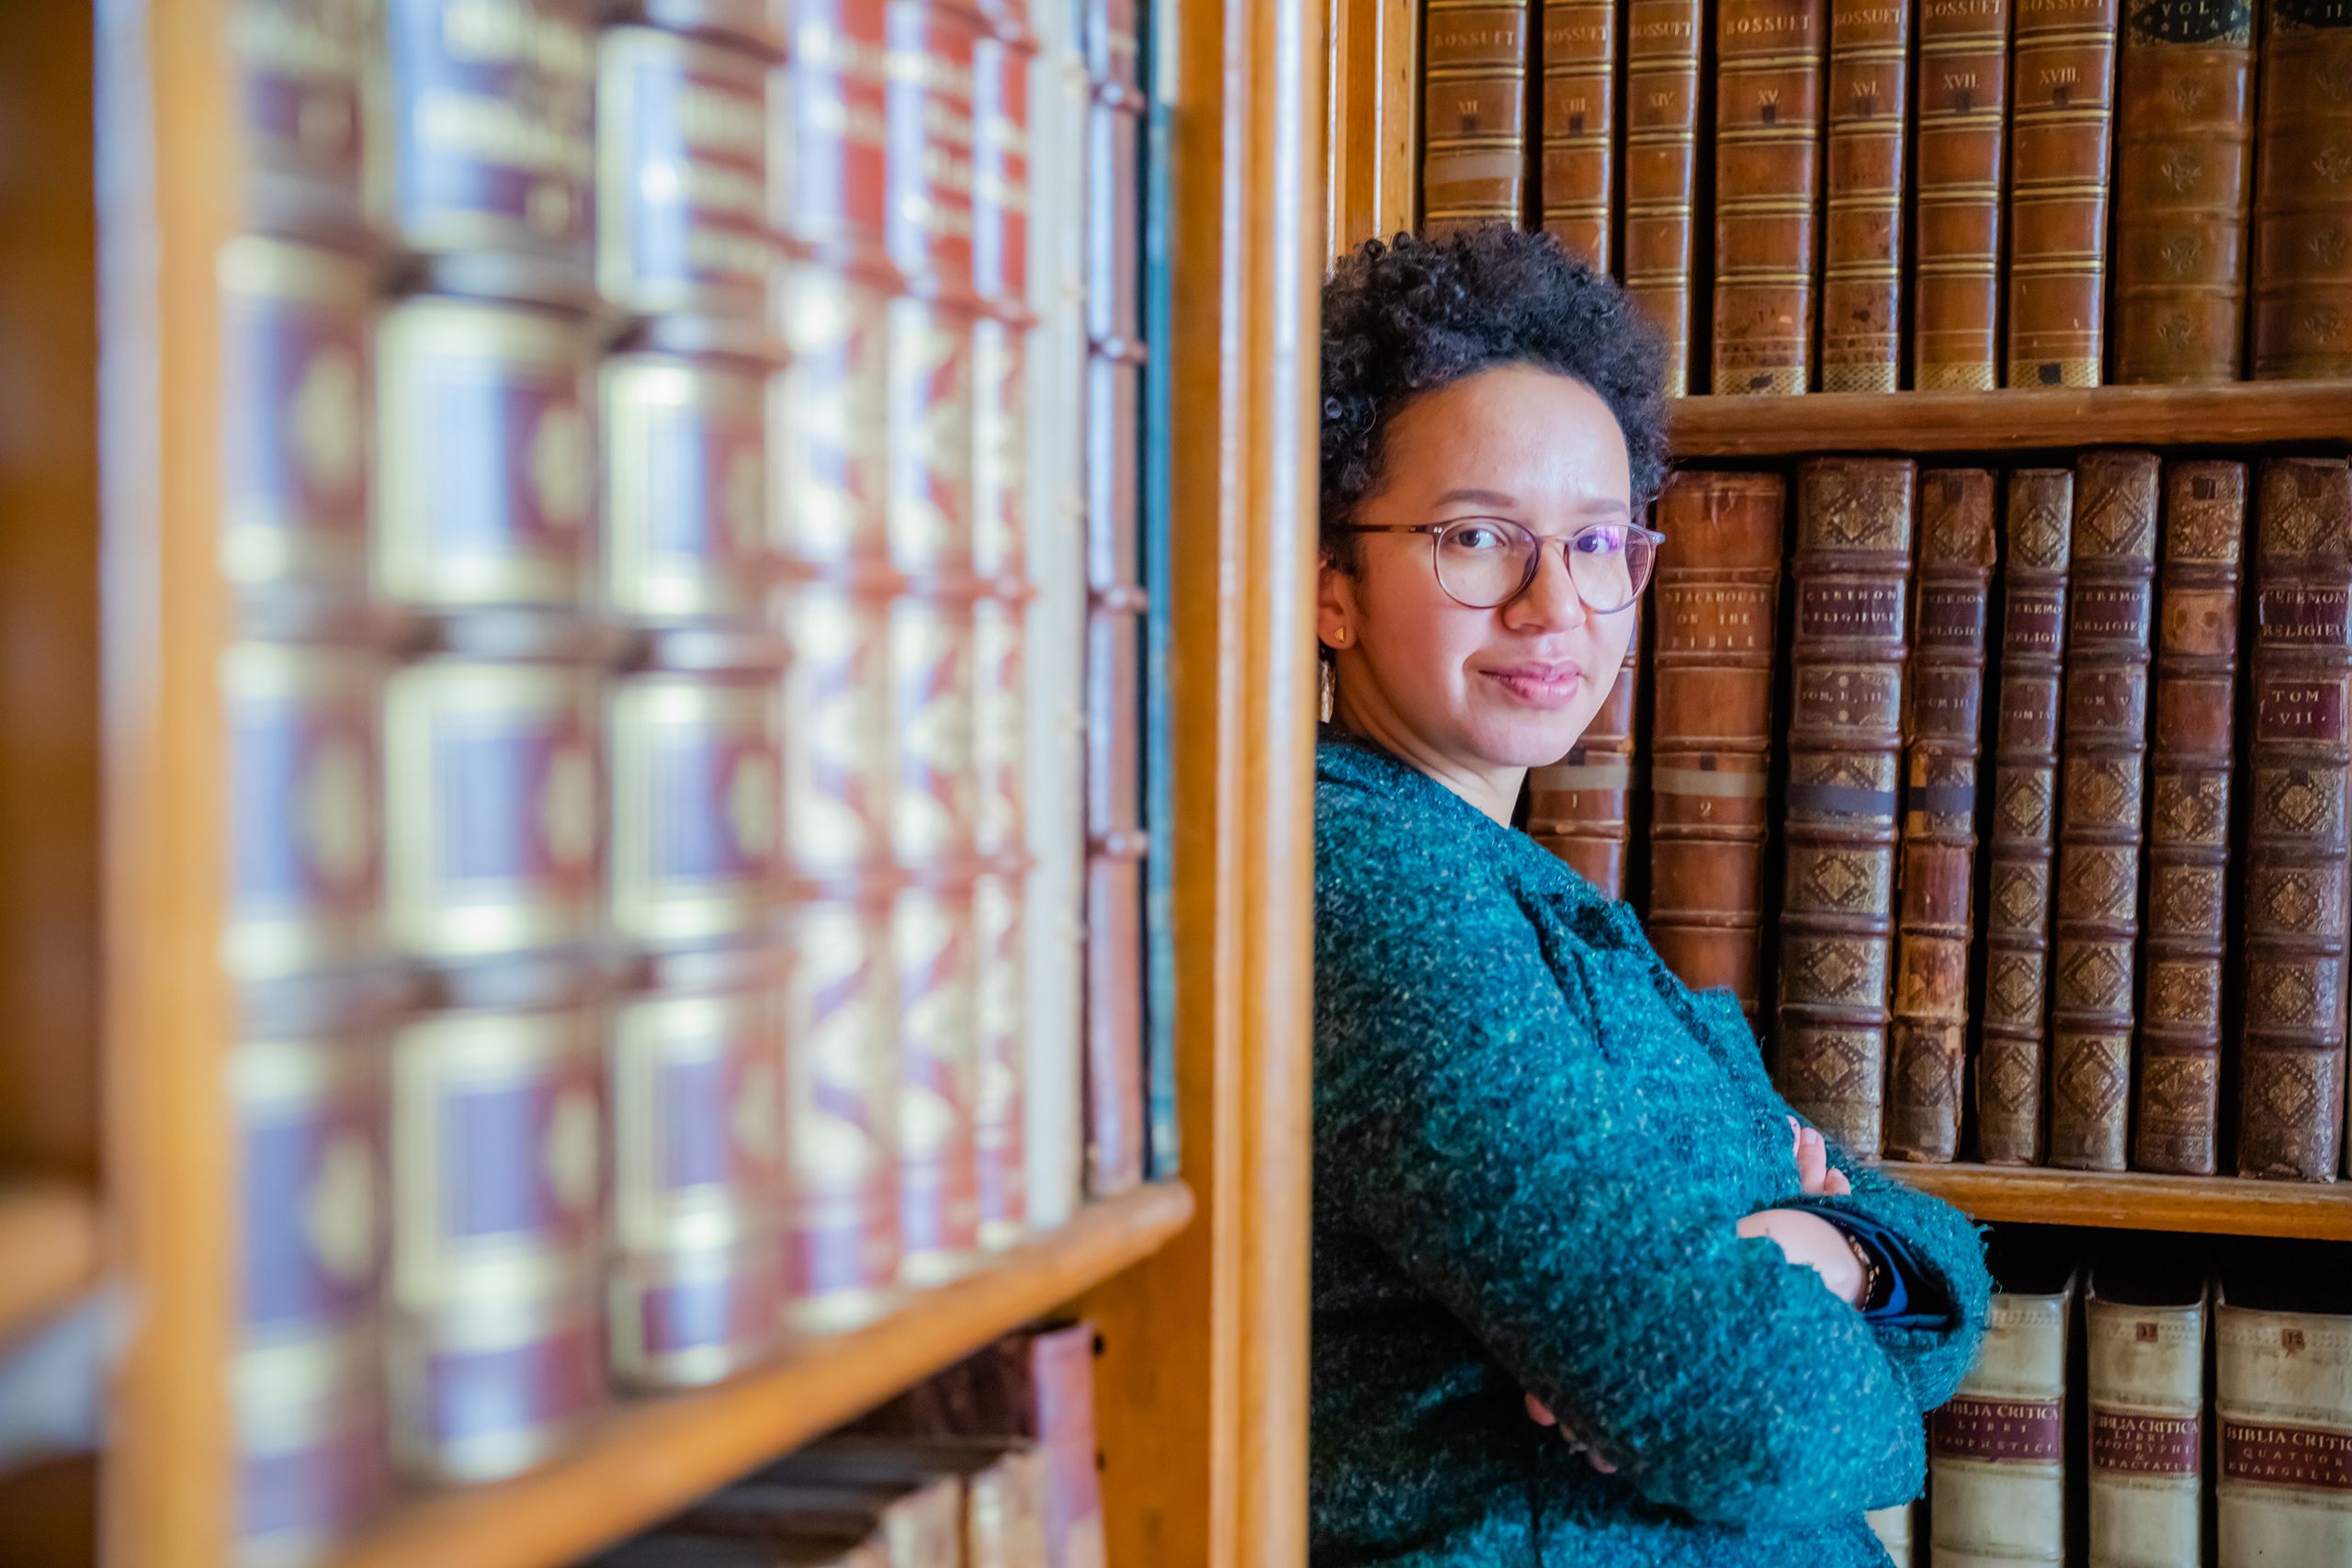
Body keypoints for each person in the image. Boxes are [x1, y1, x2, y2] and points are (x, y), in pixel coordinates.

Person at [1310, 226, 1994, 1567]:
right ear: (1333, 584)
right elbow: (1750, 1420)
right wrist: (1815, 1288)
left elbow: (1938, 1261)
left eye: (1599, 542)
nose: (1553, 605)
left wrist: (1841, 1252)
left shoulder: (1513, 887)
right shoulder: (1372, 890)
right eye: (1476, 539)